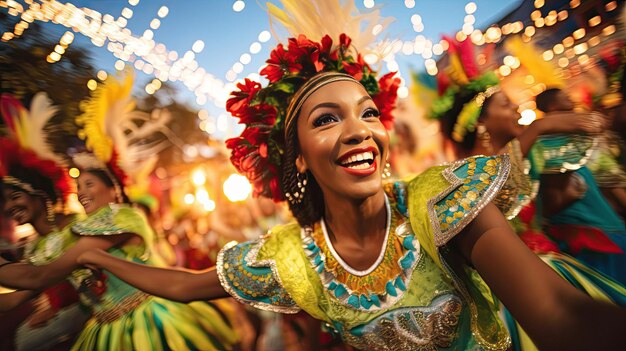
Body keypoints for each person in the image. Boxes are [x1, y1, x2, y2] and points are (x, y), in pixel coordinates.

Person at [67, 34, 626, 351]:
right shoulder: (293, 258)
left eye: (366, 113)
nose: (360, 130)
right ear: (298, 159)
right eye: (328, 119)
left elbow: (558, 312)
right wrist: (89, 254)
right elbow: (186, 286)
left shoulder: (440, 200)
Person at [0, 76, 240, 350]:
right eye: (79, 186)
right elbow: (16, 296)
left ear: (114, 191)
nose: (82, 192)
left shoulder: (121, 218)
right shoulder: (64, 239)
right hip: (104, 330)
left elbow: (40, 276)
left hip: (150, 323)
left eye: (89, 184)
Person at [434, 68, 626, 350]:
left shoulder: (526, 155)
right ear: (481, 123)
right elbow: (491, 182)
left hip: (557, 263)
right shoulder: (460, 174)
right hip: (518, 285)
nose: (515, 109)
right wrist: (540, 127)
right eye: (504, 104)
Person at [0, 94, 90, 351]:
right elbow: (12, 300)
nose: (8, 207)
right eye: (5, 200)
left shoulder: (76, 227)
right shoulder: (35, 248)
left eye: (15, 196)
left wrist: (66, 308)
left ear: (40, 194)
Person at [534, 88, 626, 285]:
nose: (570, 96)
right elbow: (553, 199)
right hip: (589, 231)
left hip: (599, 222)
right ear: (551, 105)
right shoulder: (549, 140)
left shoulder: (569, 133)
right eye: (564, 95)